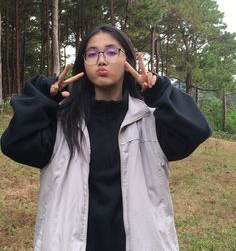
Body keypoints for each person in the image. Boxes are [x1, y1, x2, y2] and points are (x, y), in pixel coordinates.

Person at [1, 24, 212, 251]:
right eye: (92, 54)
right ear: (84, 63)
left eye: (112, 52)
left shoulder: (149, 120)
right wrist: (43, 93)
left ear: (127, 60)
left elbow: (197, 129)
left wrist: (160, 91)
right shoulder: (62, 121)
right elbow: (15, 143)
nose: (102, 60)